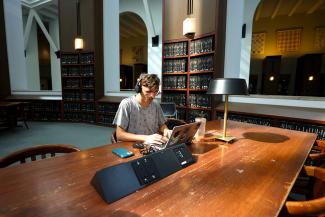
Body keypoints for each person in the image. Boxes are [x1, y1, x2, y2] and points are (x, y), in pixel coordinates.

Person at [113, 73, 169, 145]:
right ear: (139, 89)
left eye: (156, 92)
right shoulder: (127, 104)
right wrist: (147, 138)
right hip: (133, 145)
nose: (153, 96)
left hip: (152, 144)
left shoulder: (155, 104)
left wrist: (166, 130)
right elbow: (119, 135)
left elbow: (162, 124)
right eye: (148, 92)